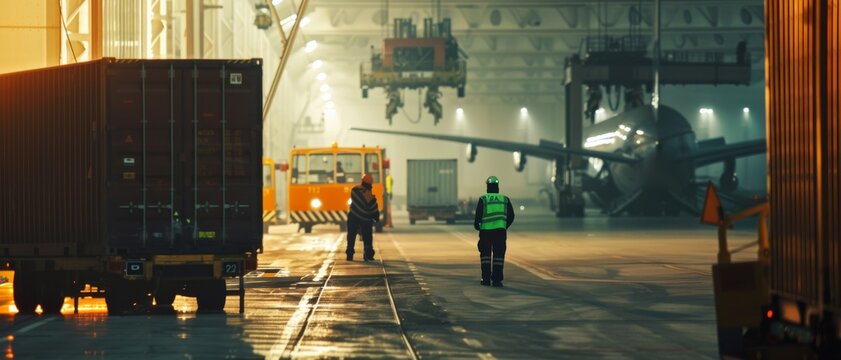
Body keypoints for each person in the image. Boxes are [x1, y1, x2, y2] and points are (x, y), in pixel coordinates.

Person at [474, 176, 515, 287]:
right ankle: (497, 280)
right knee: (498, 256)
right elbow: (511, 216)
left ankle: (486, 279)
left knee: (485, 256)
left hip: (486, 232)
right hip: (500, 232)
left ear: (487, 187)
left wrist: (477, 226)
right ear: (498, 187)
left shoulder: (483, 199)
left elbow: (478, 215)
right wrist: (504, 226)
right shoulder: (504, 199)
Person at [346, 173, 379, 261]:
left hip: (353, 217)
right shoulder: (369, 194)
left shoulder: (354, 189)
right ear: (370, 183)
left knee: (351, 235)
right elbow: (373, 208)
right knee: (367, 236)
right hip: (365, 219)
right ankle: (368, 254)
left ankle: (350, 252)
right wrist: (376, 217)